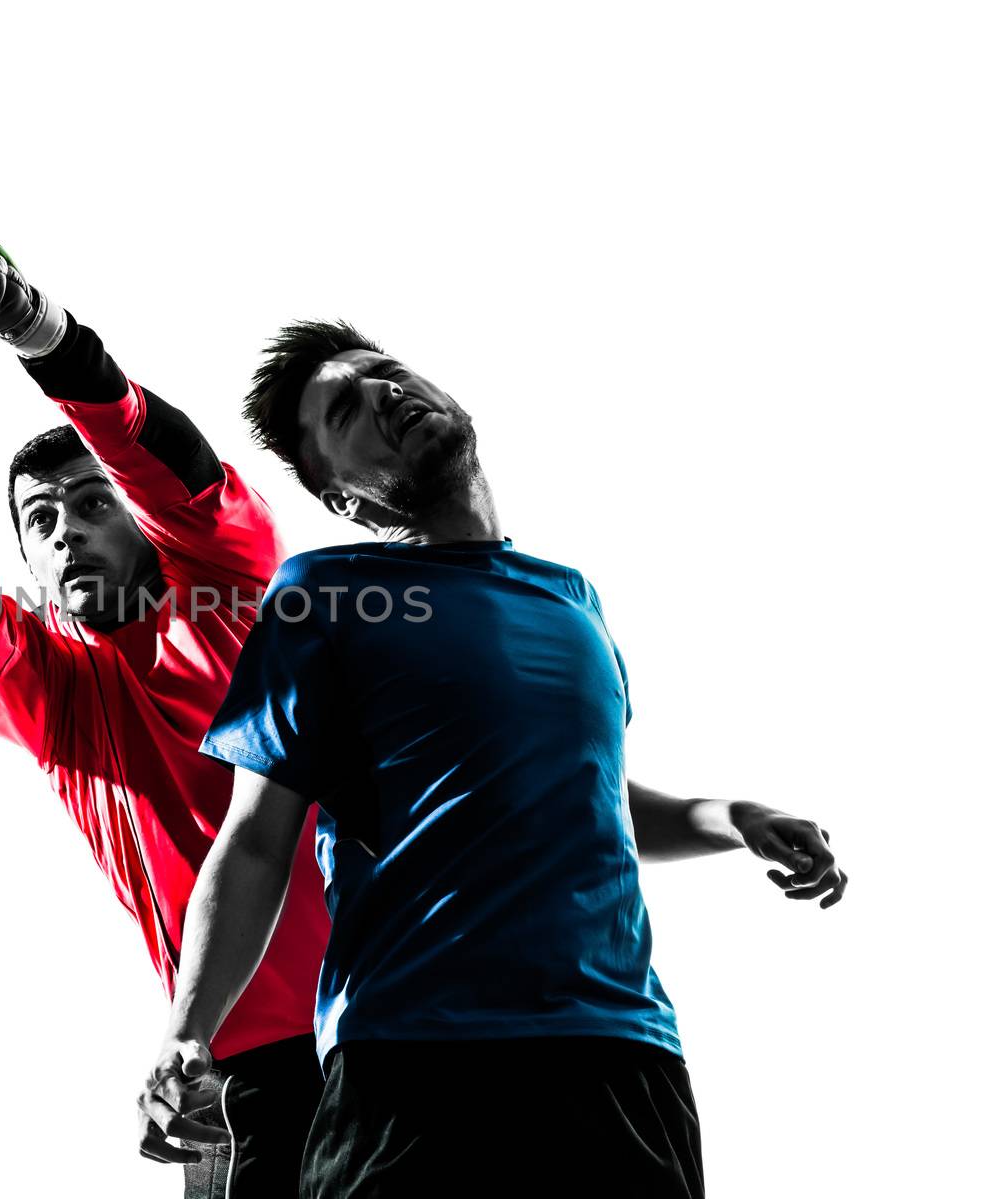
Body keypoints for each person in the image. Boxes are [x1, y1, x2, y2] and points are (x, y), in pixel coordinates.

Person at [135, 321, 849, 1197]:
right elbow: (254, 839)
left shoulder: (572, 596)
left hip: (620, 1057)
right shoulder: (323, 595)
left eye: (386, 371)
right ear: (341, 495)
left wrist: (731, 818)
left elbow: (587, 792)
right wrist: (189, 1030)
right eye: (347, 408)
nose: (386, 393)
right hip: (413, 1065)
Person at [0, 231, 330, 1197]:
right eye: (40, 518)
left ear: (140, 519)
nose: (66, 525)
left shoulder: (232, 592)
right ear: (28, 562)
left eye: (90, 501)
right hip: (220, 1082)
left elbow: (170, 460)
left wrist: (37, 330)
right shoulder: (60, 698)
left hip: (390, 1035)